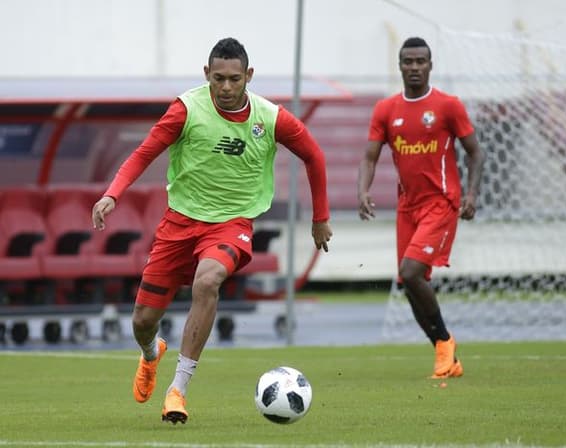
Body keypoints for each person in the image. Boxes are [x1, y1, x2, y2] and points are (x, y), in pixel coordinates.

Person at [91, 37, 332, 424]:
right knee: (142, 321)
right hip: (178, 223)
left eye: (234, 79)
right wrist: (112, 195)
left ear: (248, 76)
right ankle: (152, 355)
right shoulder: (186, 109)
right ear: (206, 74)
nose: (225, 87)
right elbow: (143, 153)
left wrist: (320, 218)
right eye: (217, 78)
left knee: (208, 281)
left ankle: (178, 391)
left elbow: (314, 156)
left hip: (232, 224)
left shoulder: (270, 118)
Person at [357, 37, 485, 379]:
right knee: (409, 282)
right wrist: (363, 190)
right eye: (408, 62)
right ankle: (446, 357)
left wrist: (471, 195)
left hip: (441, 203)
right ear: (399, 66)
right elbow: (370, 156)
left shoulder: (447, 106)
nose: (414, 67)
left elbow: (475, 151)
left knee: (411, 272)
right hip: (407, 207)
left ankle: (445, 341)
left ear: (430, 66)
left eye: (420, 61)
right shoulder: (386, 110)